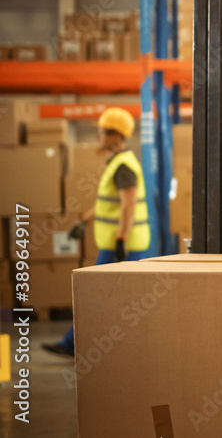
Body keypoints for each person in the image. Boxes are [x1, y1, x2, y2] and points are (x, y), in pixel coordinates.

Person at [43, 107, 152, 358]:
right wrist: (85, 219)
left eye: (101, 132)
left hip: (122, 245)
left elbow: (128, 206)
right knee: (110, 299)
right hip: (119, 243)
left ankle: (71, 344)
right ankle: (82, 345)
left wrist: (122, 239)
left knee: (93, 296)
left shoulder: (123, 166)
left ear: (116, 135)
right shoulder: (117, 162)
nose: (98, 137)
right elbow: (110, 202)